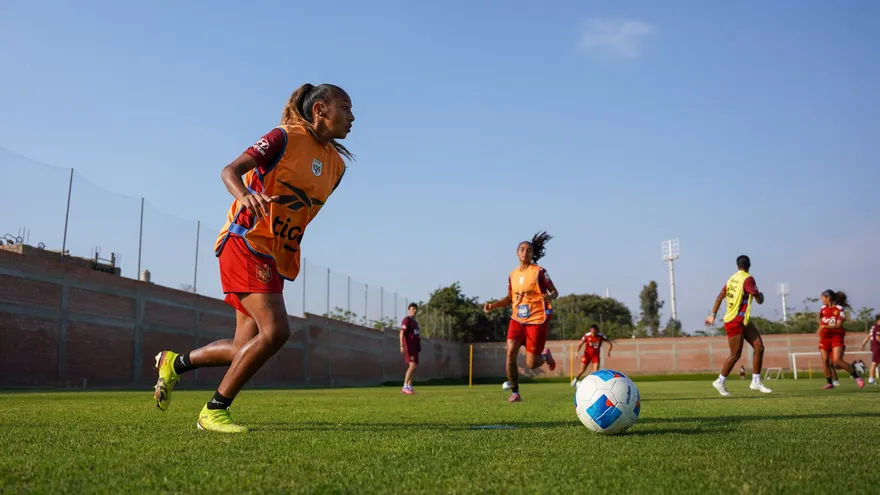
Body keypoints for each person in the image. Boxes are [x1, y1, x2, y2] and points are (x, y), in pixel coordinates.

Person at [152, 83, 355, 432]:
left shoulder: (337, 166)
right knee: (276, 331)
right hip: (245, 242)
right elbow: (229, 171)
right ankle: (214, 410)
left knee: (241, 349)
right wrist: (245, 195)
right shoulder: (283, 137)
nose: (352, 116)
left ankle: (174, 363)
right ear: (321, 109)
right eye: (345, 107)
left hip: (274, 255)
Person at [483, 232, 559, 402]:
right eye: (522, 249)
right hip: (517, 319)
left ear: (532, 254)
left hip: (536, 320)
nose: (525, 252)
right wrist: (493, 305)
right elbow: (509, 298)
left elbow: (555, 291)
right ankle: (515, 392)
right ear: (517, 253)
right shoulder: (512, 275)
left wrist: (550, 297)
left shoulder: (539, 272)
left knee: (531, 364)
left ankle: (546, 355)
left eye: (529, 250)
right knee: (510, 354)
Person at [704, 255, 772, 396]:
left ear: (737, 266)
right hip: (735, 321)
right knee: (735, 355)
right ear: (749, 265)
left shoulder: (731, 279)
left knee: (759, 346)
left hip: (742, 321)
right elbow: (759, 300)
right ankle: (720, 381)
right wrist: (762, 296)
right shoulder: (748, 279)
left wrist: (713, 315)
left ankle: (756, 381)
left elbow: (720, 296)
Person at [817, 290, 865, 390]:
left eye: (823, 298)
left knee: (837, 361)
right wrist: (820, 329)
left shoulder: (839, 309)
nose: (821, 300)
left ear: (828, 298)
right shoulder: (822, 309)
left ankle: (857, 377)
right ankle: (830, 383)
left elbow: (838, 325)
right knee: (825, 361)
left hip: (836, 337)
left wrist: (825, 326)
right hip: (825, 337)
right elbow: (820, 321)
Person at [400, 303, 421, 394]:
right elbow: (401, 333)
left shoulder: (415, 323)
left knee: (414, 367)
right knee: (412, 366)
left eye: (416, 309)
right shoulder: (406, 320)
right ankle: (405, 387)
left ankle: (409, 386)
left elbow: (416, 336)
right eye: (413, 309)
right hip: (409, 347)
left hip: (415, 348)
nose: (414, 310)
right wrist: (402, 345)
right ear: (409, 310)